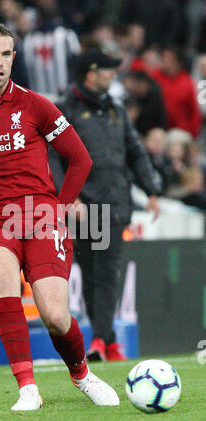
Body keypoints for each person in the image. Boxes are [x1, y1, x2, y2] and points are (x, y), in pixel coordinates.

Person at [0, 21, 120, 410]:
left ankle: (82, 375)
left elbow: (80, 159)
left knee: (56, 315)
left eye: (6, 54)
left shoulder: (35, 104)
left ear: (14, 58)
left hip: (39, 217)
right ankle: (28, 388)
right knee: (4, 280)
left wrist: (58, 207)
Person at [49, 48, 162, 362]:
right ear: (91, 73)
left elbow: (135, 151)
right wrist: (69, 196)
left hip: (113, 204)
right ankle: (108, 341)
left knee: (105, 272)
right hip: (84, 207)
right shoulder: (65, 110)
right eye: (108, 70)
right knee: (90, 272)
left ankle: (99, 339)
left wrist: (151, 189)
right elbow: (54, 157)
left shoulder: (115, 110)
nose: (114, 76)